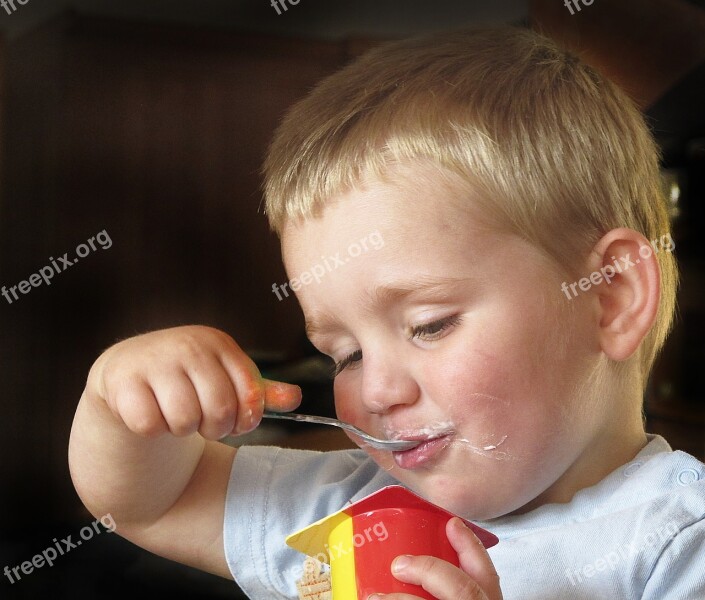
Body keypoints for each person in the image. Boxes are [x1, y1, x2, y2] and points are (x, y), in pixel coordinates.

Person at [68, 26, 705, 600]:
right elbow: (154, 503)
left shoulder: (677, 541)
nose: (376, 390)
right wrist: (118, 402)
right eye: (345, 355)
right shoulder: (350, 512)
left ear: (609, 295)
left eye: (430, 324)